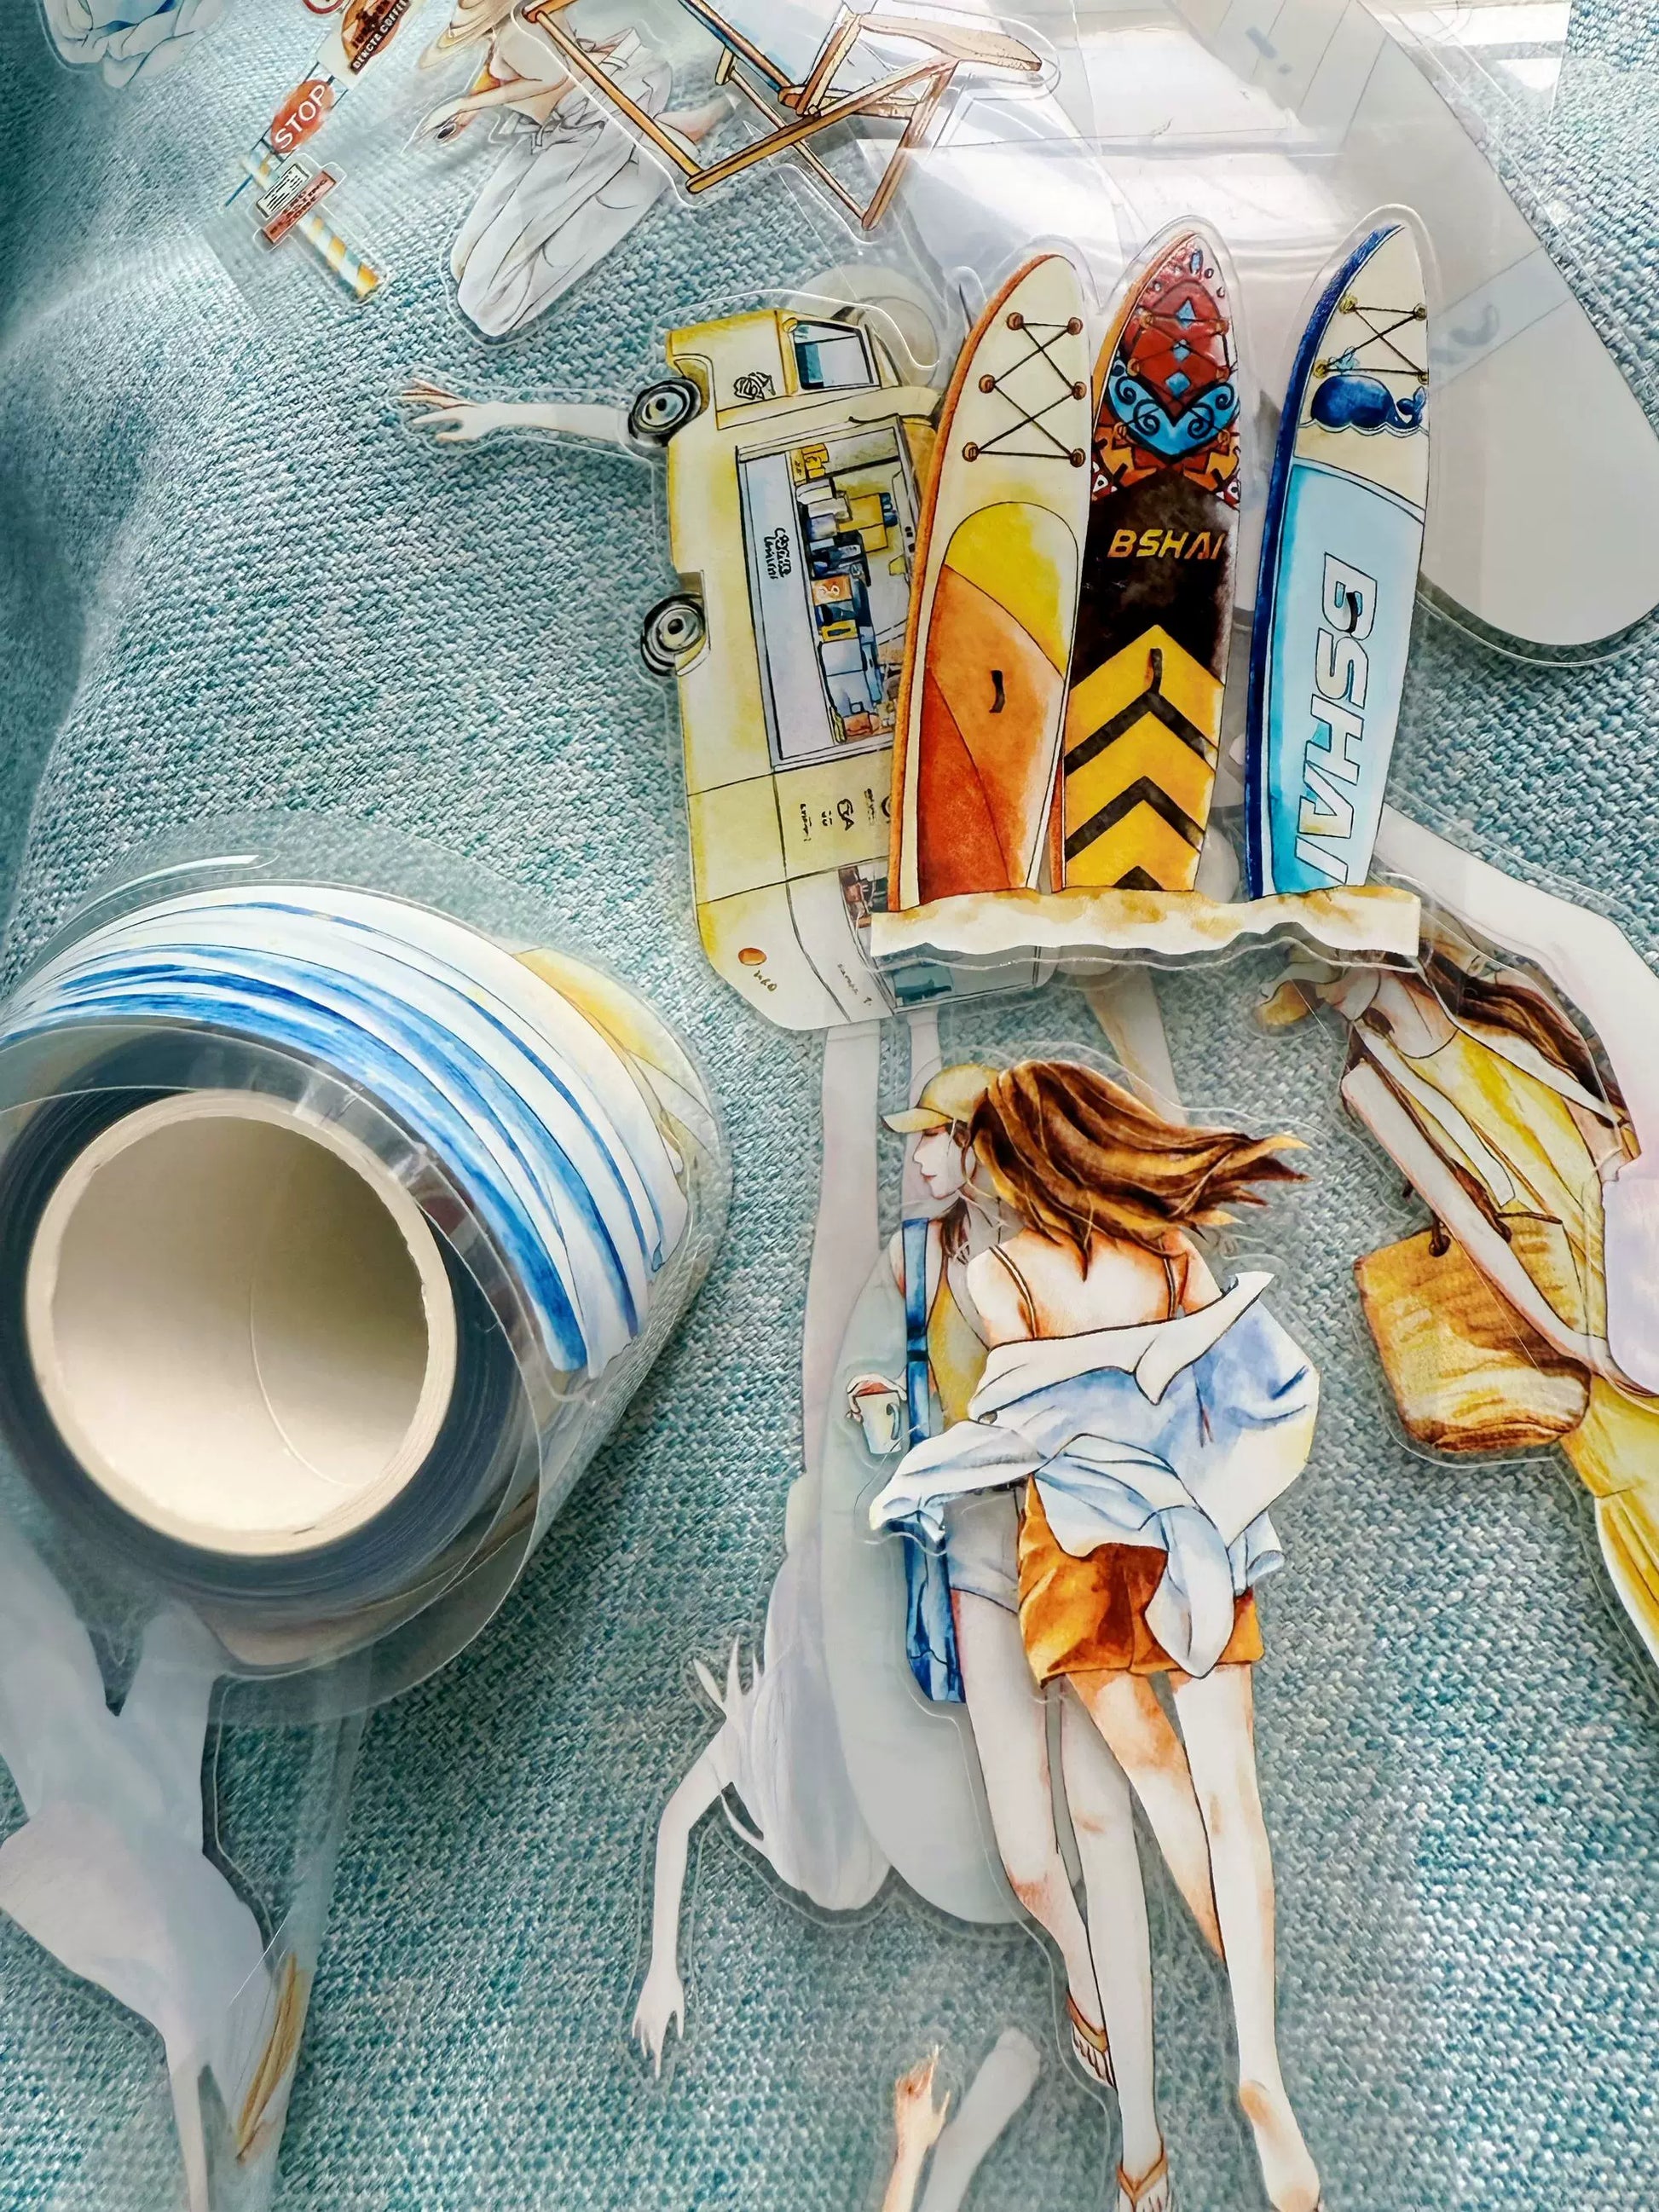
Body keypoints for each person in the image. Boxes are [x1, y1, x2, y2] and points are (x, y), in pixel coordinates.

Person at [872, 1062, 1325, 2212]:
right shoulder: (1171, 1252)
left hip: (1077, 1554)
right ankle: (1259, 2061)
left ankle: (1213, 2044)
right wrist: (1155, 1351)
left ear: (1016, 1159)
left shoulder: (1000, 1275)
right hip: (1194, 1530)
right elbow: (1233, 1387)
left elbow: (1024, 1417)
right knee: (1230, 1799)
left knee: (1156, 1793)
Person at [1267, 926, 1659, 1669]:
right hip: (1556, 1287)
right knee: (1637, 1480)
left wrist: (1636, 1230)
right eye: (1311, 979)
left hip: (1630, 1237)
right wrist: (1566, 1336)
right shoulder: (1370, 1081)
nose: (1326, 989)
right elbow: (1473, 1228)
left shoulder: (1511, 999)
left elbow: (1603, 1124)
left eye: (1326, 963)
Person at [419, 0, 730, 339]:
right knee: (462, 262)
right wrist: (473, 102)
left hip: (604, 107)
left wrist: (467, 103)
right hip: (583, 110)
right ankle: (661, 144)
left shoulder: (516, 31)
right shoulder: (507, 29)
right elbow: (530, 66)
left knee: (489, 306)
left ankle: (670, 143)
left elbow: (549, 75)